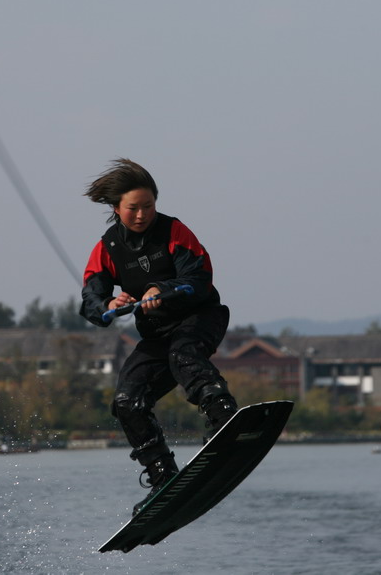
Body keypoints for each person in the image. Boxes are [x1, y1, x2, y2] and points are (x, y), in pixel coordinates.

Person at [79, 158, 238, 515]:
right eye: (133, 208)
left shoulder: (174, 231)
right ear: (116, 207)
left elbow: (199, 279)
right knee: (126, 400)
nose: (141, 215)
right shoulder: (107, 248)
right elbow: (91, 300)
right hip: (157, 337)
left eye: (148, 206)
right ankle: (163, 475)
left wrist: (161, 288)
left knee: (184, 356)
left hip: (200, 318)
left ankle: (224, 419)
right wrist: (110, 301)